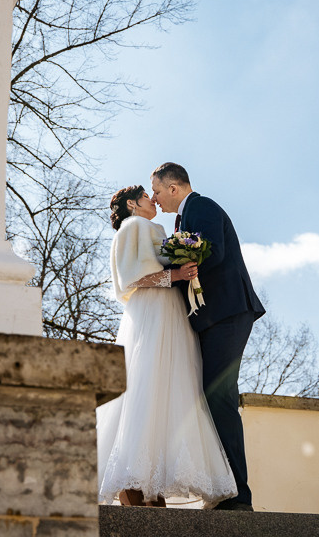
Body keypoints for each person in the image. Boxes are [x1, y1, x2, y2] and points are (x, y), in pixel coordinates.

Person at [95, 184, 237, 509]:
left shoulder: (154, 228)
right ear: (132, 204)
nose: (152, 200)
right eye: (146, 196)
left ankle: (152, 492)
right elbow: (133, 278)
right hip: (152, 315)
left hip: (169, 315)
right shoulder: (134, 227)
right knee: (148, 388)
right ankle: (132, 489)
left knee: (163, 392)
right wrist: (175, 275)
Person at [150, 162, 266, 512]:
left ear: (173, 188)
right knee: (211, 397)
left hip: (228, 313)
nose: (155, 198)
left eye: (156, 191)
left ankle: (238, 496)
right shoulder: (183, 220)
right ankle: (225, 487)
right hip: (212, 318)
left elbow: (212, 251)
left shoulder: (201, 206)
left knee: (220, 397)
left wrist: (173, 272)